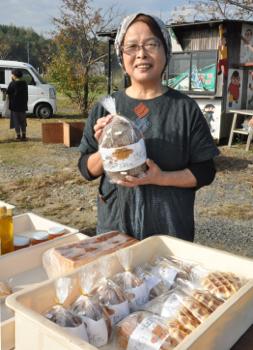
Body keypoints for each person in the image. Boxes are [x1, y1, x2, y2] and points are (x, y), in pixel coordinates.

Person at [78, 13, 219, 242]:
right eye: (131, 46)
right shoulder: (107, 108)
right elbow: (85, 169)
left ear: (166, 51)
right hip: (115, 227)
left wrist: (160, 177)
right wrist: (106, 149)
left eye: (151, 44)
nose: (141, 54)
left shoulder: (185, 109)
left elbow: (206, 171)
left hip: (169, 230)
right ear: (121, 55)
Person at [6, 69, 28, 141]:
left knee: (16, 121)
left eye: (12, 74)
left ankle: (18, 136)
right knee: (23, 121)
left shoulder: (12, 84)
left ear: (14, 75)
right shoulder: (24, 83)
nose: (11, 76)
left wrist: (12, 81)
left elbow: (8, 92)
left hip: (14, 106)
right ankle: (24, 135)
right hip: (23, 105)